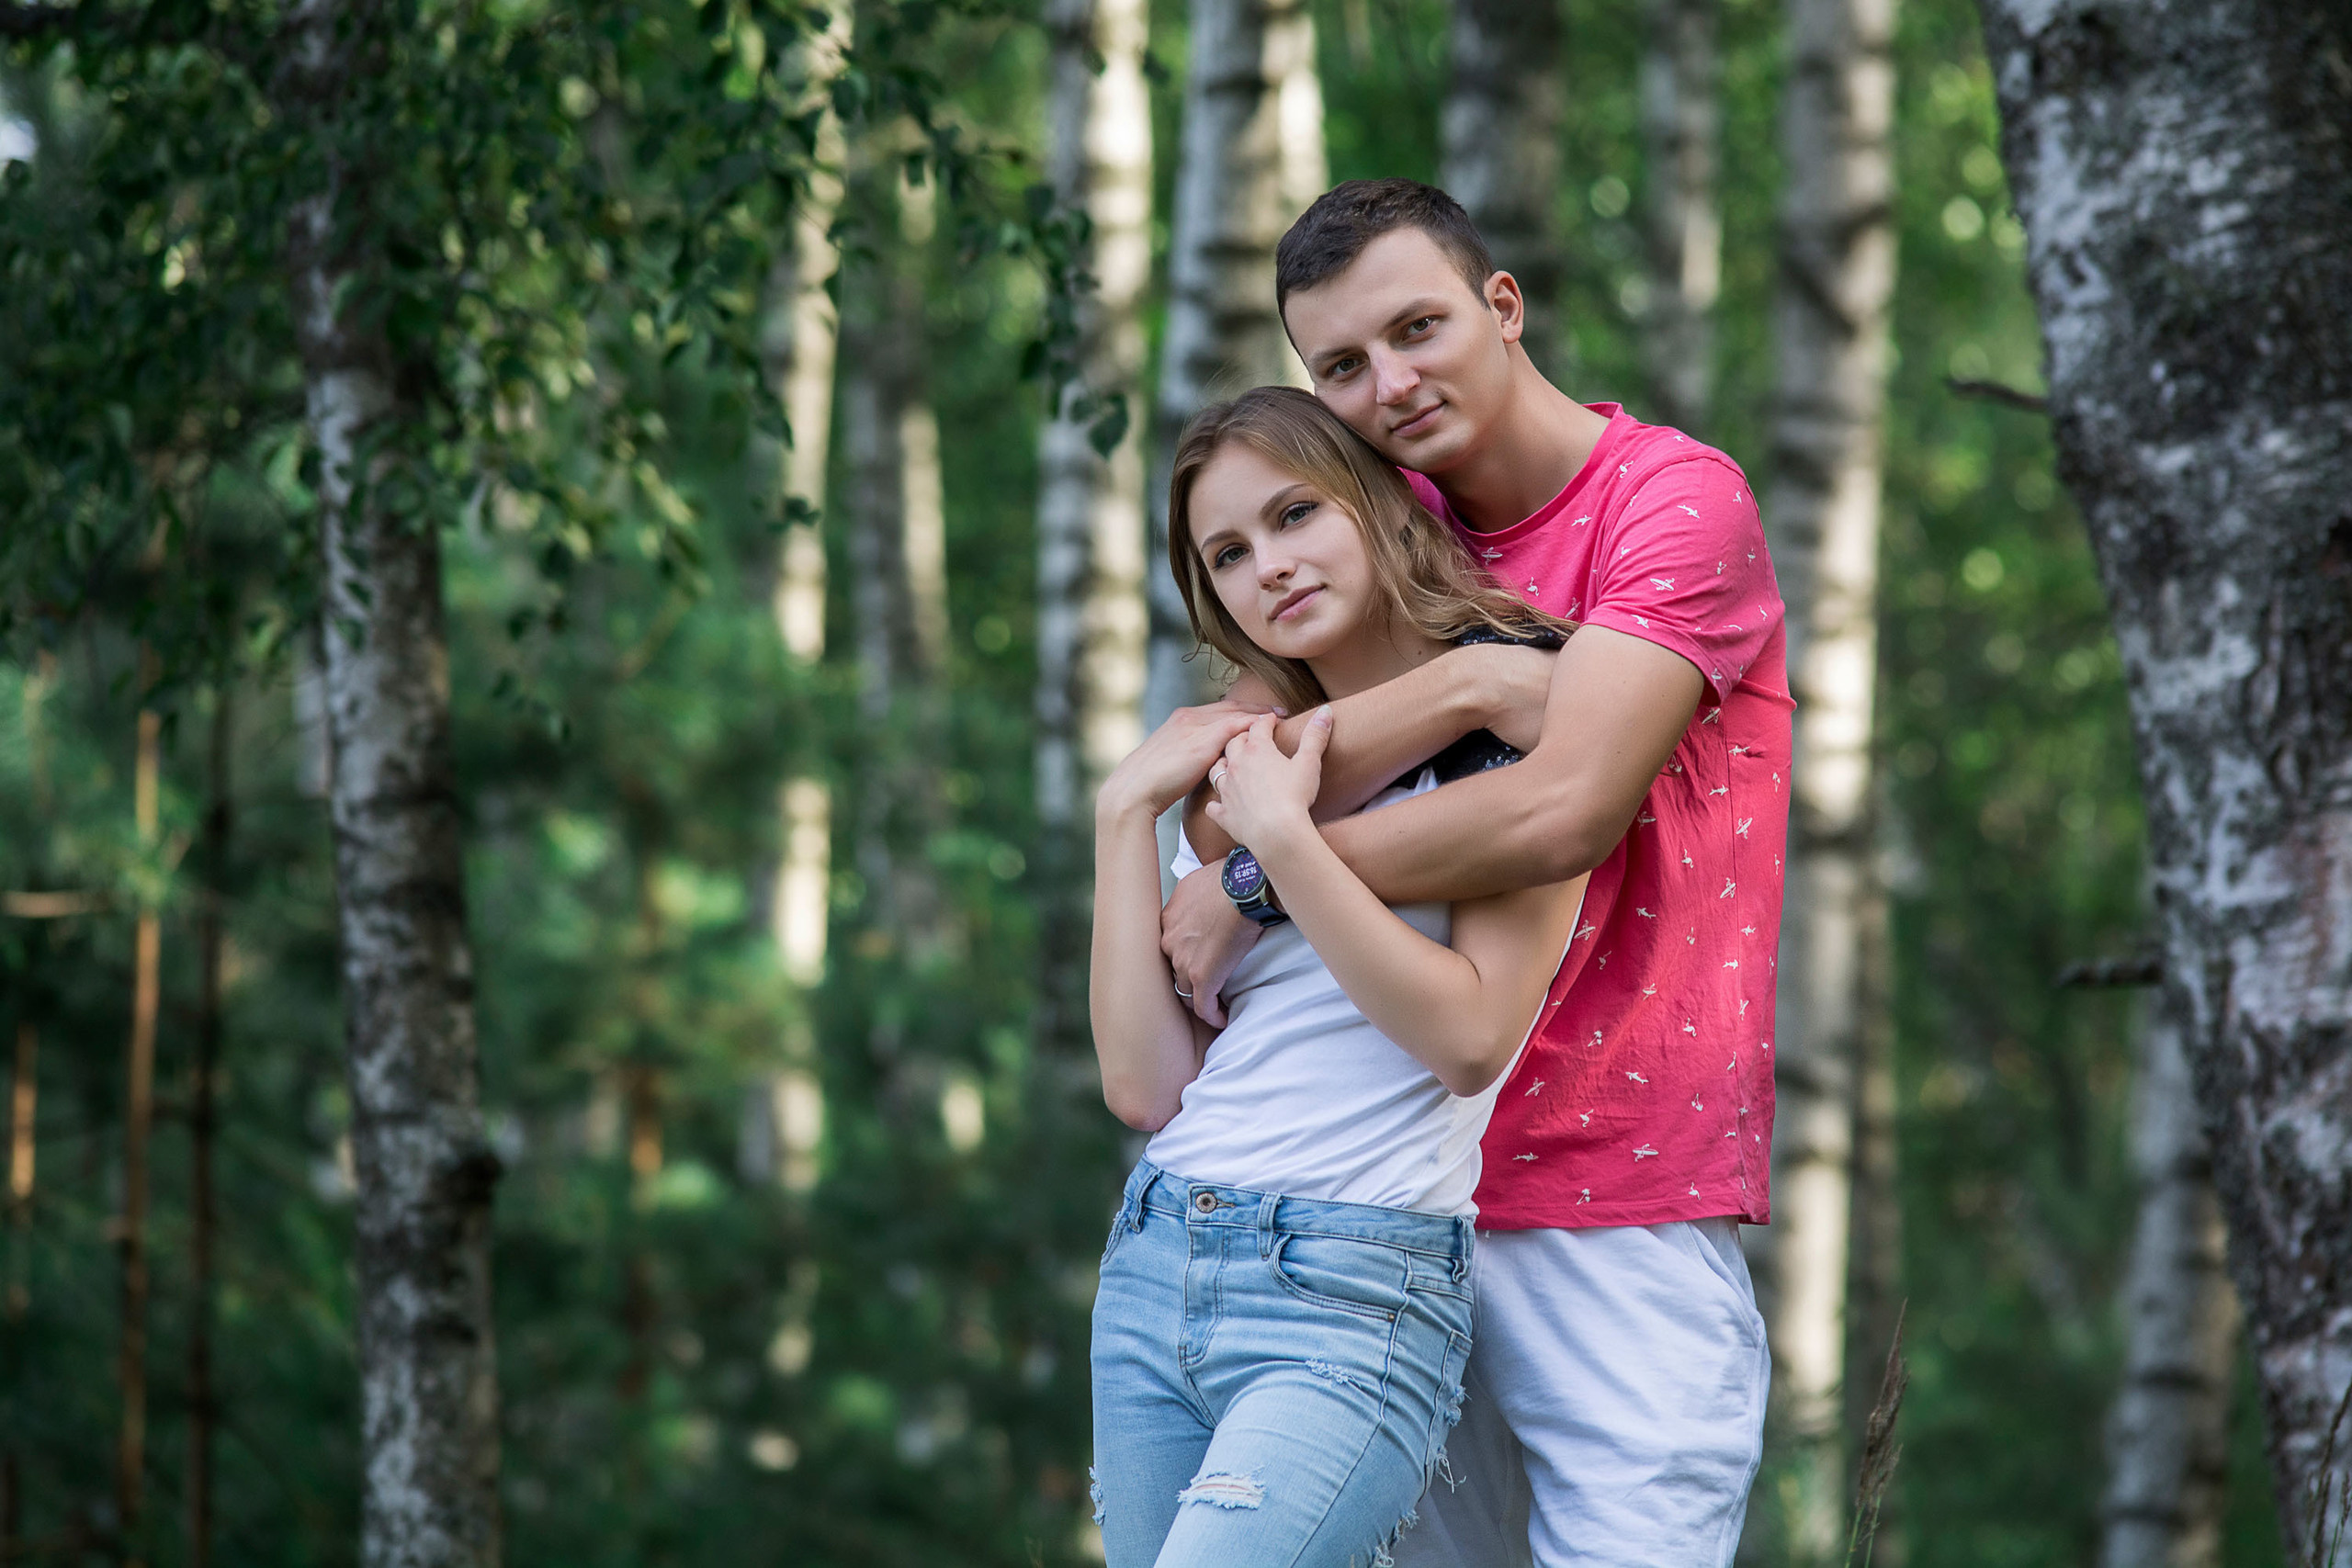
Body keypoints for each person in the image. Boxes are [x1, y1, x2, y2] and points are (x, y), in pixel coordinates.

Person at [1163, 179, 1792, 1567]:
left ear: (1502, 307)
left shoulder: (1671, 504)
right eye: (1341, 364)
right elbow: (1227, 793)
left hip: (1614, 1192)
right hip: (1376, 1205)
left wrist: (1268, 876)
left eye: (1418, 328)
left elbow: (1561, 805)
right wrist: (1460, 686)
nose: (1388, 384)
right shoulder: (1366, 525)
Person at [1088, 386, 1590, 1568]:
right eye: (1229, 553)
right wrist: (1123, 816)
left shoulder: (1515, 723)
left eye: (1294, 514)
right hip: (1159, 1255)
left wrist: (1287, 853)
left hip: (1356, 1288)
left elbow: (1471, 1037)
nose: (1270, 565)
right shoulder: (1239, 767)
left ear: (1370, 503)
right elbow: (1145, 1088)